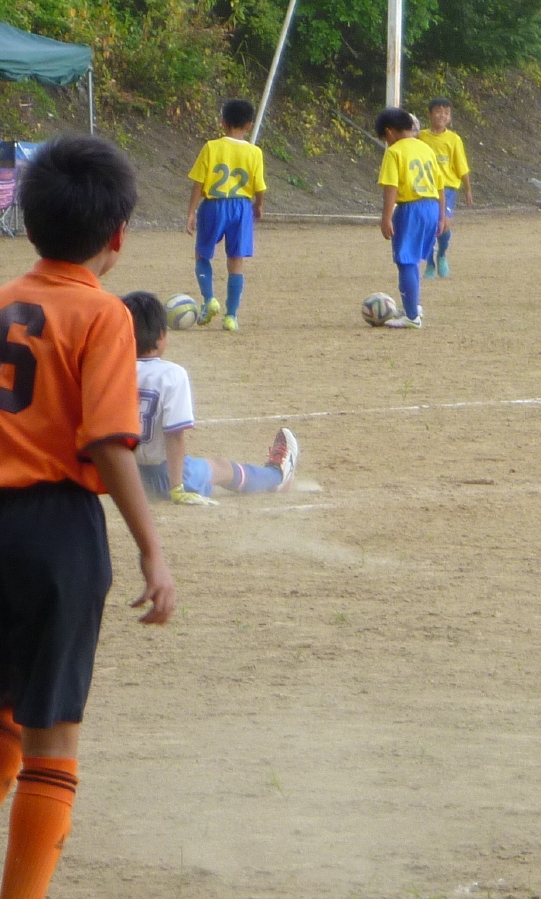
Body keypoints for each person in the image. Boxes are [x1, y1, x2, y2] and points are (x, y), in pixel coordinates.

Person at [0, 134, 176, 899]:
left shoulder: (3, 300)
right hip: (56, 531)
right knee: (53, 732)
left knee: (6, 711)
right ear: (118, 236)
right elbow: (108, 441)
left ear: (29, 222)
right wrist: (151, 547)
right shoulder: (104, 315)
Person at [122, 291, 299, 503]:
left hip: (122, 477)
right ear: (161, 335)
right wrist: (176, 488)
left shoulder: (110, 371)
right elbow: (174, 436)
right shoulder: (172, 375)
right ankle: (276, 476)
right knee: (220, 467)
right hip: (164, 476)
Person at [186, 98, 267, 332]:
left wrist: (191, 212)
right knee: (236, 260)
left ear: (223, 122)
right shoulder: (255, 152)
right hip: (241, 207)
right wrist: (258, 205)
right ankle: (231, 316)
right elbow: (260, 187)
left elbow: (198, 182)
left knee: (202, 254)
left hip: (213, 205)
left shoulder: (211, 147)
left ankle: (209, 299)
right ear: (249, 125)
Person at [376, 107, 446, 330]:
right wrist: (442, 216)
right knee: (413, 259)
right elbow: (440, 185)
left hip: (410, 208)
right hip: (431, 206)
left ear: (389, 132)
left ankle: (412, 317)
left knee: (405, 260)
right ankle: (412, 306)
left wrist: (386, 218)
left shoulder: (394, 152)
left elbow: (391, 187)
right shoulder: (425, 148)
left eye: (384, 138)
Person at [418, 97, 473, 279]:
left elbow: (462, 166)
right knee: (428, 225)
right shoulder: (420, 137)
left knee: (444, 223)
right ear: (430, 114)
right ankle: (429, 262)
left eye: (447, 113)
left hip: (447, 188)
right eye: (438, 111)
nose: (443, 116)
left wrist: (468, 189)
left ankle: (441, 253)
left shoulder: (454, 139)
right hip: (426, 188)